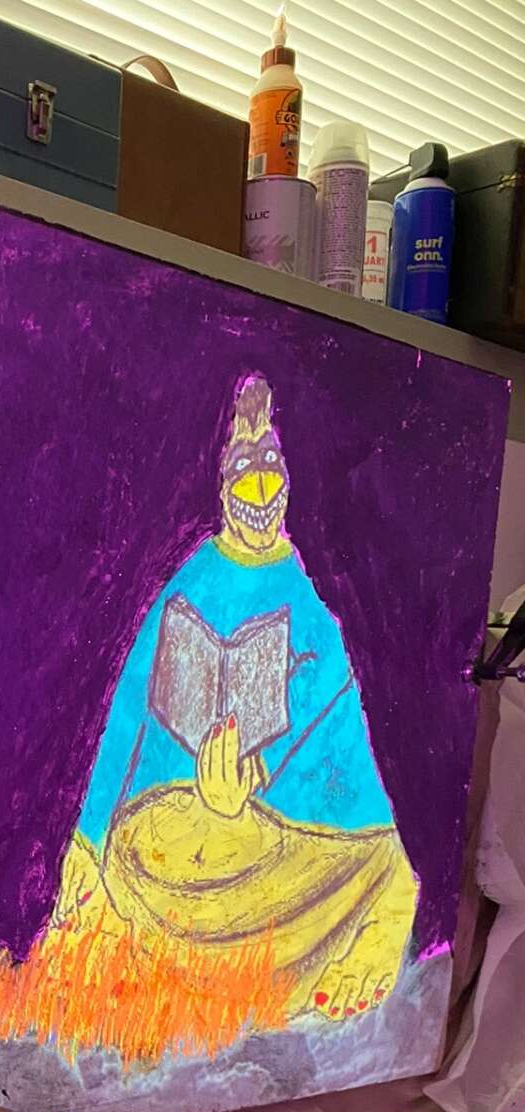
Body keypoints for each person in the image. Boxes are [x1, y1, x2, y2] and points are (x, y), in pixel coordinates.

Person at [53, 373, 418, 1028]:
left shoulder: (311, 604)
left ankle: (375, 922)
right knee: (136, 863)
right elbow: (127, 718)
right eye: (243, 469)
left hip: (285, 842)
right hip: (181, 837)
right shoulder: (186, 585)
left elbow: (339, 751)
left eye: (271, 466)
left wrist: (253, 791)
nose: (259, 489)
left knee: (371, 870)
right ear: (218, 481)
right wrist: (87, 837)